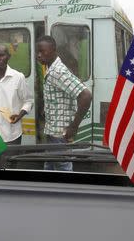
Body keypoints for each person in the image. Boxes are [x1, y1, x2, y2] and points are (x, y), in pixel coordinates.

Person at [36, 35, 92, 171]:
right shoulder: (51, 68)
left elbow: (86, 96)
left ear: (54, 50)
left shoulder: (58, 71)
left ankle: (67, 191)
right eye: (37, 51)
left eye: (43, 51)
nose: (38, 55)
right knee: (49, 164)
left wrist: (74, 127)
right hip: (52, 130)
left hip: (60, 134)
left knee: (63, 167)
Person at [0, 45, 33, 145]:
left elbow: (28, 101)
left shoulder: (18, 77)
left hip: (11, 134)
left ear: (8, 57)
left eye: (2, 55)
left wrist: (20, 115)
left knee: (9, 160)